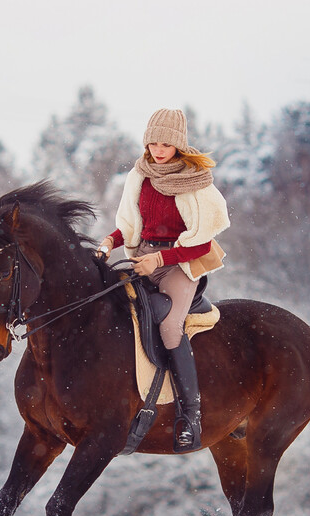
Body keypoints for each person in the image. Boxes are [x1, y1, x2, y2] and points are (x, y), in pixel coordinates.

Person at [96, 108, 230, 452]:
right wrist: (110, 241)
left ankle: (191, 416)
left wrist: (162, 258)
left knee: (170, 326)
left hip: (180, 265)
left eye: (166, 144)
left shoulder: (197, 182)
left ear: (179, 146)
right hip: (143, 256)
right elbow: (129, 224)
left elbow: (201, 242)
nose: (158, 149)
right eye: (153, 142)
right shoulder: (138, 176)